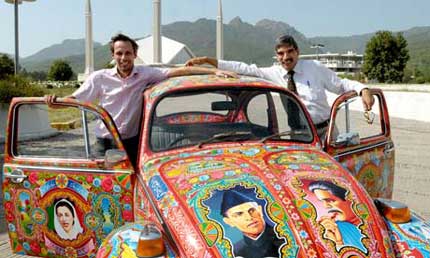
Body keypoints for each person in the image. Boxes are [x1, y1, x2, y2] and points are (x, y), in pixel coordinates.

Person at [46, 33, 236, 167]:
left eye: (127, 53)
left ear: (135, 55)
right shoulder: (99, 77)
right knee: (104, 185)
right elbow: (76, 98)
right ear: (113, 56)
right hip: (105, 142)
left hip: (132, 142)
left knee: (133, 184)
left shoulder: (145, 74)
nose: (123, 58)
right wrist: (54, 101)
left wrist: (214, 71)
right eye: (119, 53)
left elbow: (179, 71)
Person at [186, 35, 374, 140]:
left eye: (289, 52)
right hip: (299, 135)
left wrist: (363, 89)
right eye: (280, 54)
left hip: (327, 132)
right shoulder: (273, 73)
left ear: (297, 51)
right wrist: (209, 61)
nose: (285, 58)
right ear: (277, 56)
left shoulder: (314, 68)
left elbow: (342, 84)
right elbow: (244, 68)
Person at [220, 189, 284, 258]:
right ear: (229, 222)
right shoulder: (235, 251)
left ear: (260, 210)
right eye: (239, 214)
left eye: (252, 210)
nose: (249, 217)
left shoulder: (285, 238)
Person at [308, 180, 367, 252]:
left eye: (330, 200)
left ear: (349, 199)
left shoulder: (369, 226)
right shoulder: (336, 228)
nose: (326, 206)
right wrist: (336, 243)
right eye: (322, 201)